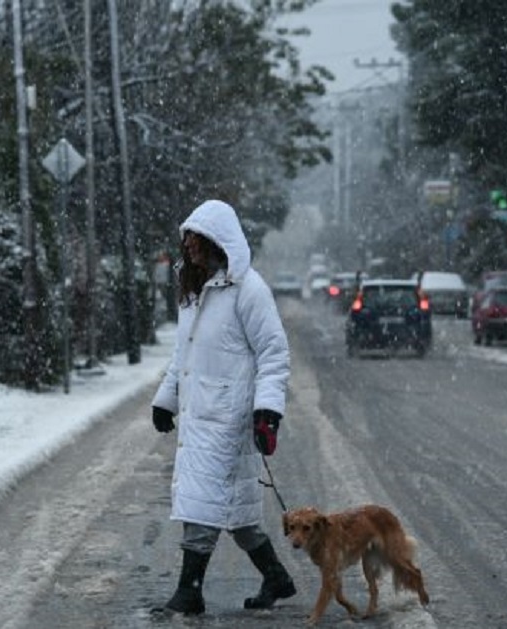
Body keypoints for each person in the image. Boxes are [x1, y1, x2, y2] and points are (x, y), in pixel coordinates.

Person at [150, 199, 296, 616]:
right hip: (200, 418)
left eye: (197, 241)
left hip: (231, 421)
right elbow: (184, 358)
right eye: (188, 241)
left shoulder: (249, 291)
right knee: (237, 510)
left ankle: (189, 590)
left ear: (218, 242)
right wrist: (167, 400)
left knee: (204, 501)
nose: (190, 248)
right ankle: (277, 577)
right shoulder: (195, 293)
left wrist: (268, 412)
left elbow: (273, 353)